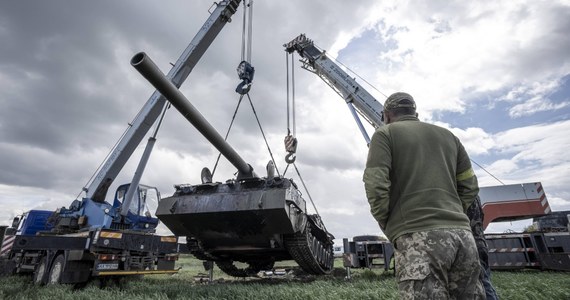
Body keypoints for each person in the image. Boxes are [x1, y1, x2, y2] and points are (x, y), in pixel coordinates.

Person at [363, 92, 485, 299]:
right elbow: (470, 185)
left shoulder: (384, 134)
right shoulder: (449, 137)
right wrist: (454, 211)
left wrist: (387, 221)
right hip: (463, 239)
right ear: (415, 113)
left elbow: (376, 183)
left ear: (386, 115)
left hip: (418, 236)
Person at [467, 196, 499, 299]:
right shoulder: (475, 197)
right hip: (480, 242)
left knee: (482, 284)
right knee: (484, 281)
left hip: (473, 243)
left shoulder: (465, 199)